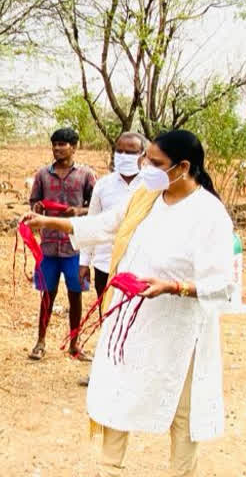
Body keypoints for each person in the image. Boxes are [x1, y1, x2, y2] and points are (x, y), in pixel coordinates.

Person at [22, 130, 233, 477]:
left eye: (156, 163)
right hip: (131, 320)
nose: (146, 167)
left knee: (181, 411)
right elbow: (106, 224)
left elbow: (222, 283)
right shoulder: (147, 194)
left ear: (183, 166)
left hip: (179, 329)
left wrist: (174, 286)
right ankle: (109, 469)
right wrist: (49, 222)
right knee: (116, 390)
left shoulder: (209, 214)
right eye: (146, 159)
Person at [77, 132, 146, 386]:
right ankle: (104, 371)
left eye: (131, 151)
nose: (124, 156)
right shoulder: (103, 185)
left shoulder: (151, 186)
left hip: (139, 266)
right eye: (120, 151)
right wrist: (84, 261)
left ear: (142, 155)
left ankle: (134, 372)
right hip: (106, 264)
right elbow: (93, 223)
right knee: (108, 318)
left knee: (138, 319)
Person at [28, 127, 96, 360]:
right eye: (55, 144)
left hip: (75, 246)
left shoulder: (86, 175)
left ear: (74, 147)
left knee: (75, 295)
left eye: (63, 144)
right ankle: (40, 342)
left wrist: (79, 211)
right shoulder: (42, 175)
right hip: (48, 245)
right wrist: (37, 208)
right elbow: (34, 202)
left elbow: (96, 208)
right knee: (47, 295)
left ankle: (74, 344)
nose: (57, 148)